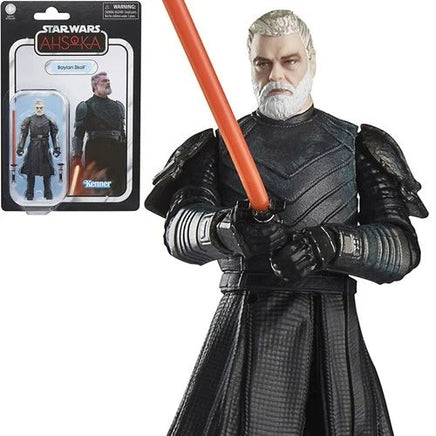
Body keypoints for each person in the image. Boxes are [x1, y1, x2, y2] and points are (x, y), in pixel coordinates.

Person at [146, 10, 428, 436]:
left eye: (289, 60)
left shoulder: (356, 144)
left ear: (311, 60)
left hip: (332, 332)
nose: (276, 74)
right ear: (251, 66)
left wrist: (332, 245)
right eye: (263, 63)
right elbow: (179, 230)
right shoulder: (217, 145)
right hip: (244, 326)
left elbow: (401, 249)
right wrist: (229, 229)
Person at [72, 72, 126, 195]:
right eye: (104, 81)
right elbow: (78, 134)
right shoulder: (85, 106)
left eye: (108, 80)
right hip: (97, 149)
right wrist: (77, 157)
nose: (108, 82)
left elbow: (122, 132)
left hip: (117, 150)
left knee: (119, 187)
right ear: (95, 85)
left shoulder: (118, 106)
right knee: (97, 185)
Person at [17, 100, 60, 200]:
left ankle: (47, 192)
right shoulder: (29, 120)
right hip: (33, 146)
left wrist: (56, 148)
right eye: (37, 108)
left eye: (41, 108)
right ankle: (29, 193)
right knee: (30, 171)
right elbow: (23, 135)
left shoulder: (49, 120)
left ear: (43, 108)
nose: (39, 109)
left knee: (47, 171)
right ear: (35, 108)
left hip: (45, 147)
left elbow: (54, 135)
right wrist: (20, 147)